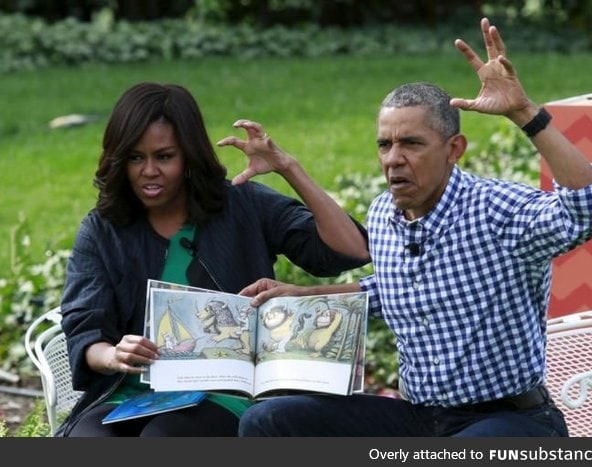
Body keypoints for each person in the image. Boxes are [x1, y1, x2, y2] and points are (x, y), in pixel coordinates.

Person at [236, 17, 592, 437]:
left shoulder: (496, 209)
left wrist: (525, 113)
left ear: (454, 149)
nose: (393, 159)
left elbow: (591, 208)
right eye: (385, 144)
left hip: (509, 418)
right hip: (420, 418)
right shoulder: (384, 213)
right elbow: (394, 288)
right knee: (268, 421)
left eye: (412, 144)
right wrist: (304, 295)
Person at [57, 82, 370, 437]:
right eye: (134, 157)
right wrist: (113, 355)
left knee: (164, 438)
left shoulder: (241, 204)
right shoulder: (102, 230)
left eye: (164, 156)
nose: (148, 171)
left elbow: (350, 251)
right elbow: (85, 329)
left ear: (189, 155)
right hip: (125, 396)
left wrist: (288, 167)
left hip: (223, 396)